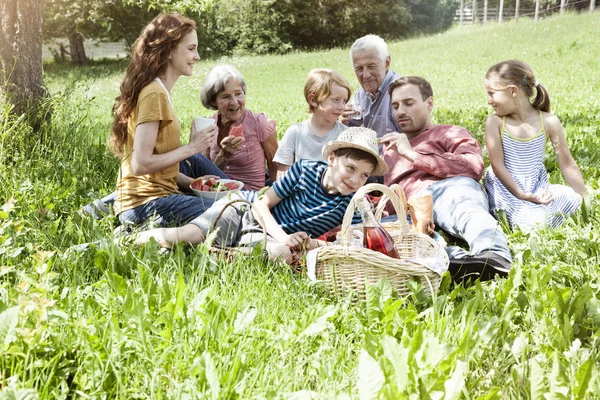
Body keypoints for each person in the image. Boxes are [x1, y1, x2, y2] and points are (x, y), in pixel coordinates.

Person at [134, 127, 388, 264]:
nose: (355, 180)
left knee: (281, 255)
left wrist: (308, 243)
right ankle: (128, 241)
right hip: (244, 210)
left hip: (264, 238)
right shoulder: (305, 170)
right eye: (350, 168)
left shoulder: (353, 203)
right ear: (332, 159)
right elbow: (262, 203)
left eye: (364, 176)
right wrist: (285, 236)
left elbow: (343, 244)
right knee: (186, 234)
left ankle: (210, 253)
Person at [380, 76, 512, 282]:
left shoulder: (448, 132)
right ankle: (452, 260)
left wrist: (413, 155)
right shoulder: (389, 148)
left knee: (464, 209)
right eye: (395, 106)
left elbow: (472, 166)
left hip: (446, 189)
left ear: (429, 103)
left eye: (409, 103)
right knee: (381, 239)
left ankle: (494, 255)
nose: (400, 111)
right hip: (406, 209)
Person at [108, 13, 223, 228]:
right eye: (191, 49)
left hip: (148, 199)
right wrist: (192, 147)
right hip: (145, 206)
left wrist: (196, 185)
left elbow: (158, 169)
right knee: (234, 209)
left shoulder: (158, 91)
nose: (197, 56)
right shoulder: (155, 94)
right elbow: (141, 164)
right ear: (169, 50)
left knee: (224, 198)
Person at [483, 60, 585, 229]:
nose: (489, 101)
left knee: (572, 199)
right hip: (507, 191)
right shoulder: (495, 122)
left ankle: (544, 215)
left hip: (537, 187)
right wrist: (522, 195)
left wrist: (583, 198)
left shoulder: (549, 122)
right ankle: (538, 218)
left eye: (492, 93)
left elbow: (567, 163)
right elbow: (497, 166)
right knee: (533, 223)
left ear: (513, 91)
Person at [200, 65, 279, 190]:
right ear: (213, 100)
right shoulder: (207, 126)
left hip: (251, 196)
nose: (235, 102)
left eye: (238, 94)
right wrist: (224, 156)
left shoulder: (260, 124)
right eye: (226, 97)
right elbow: (203, 177)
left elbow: (276, 169)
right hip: (216, 195)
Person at [273, 68, 351, 179]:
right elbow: (282, 175)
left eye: (344, 101)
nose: (341, 107)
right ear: (313, 100)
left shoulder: (346, 135)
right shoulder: (295, 133)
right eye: (336, 100)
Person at [342, 34, 401, 138]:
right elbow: (351, 128)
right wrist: (343, 121)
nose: (366, 75)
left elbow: (415, 138)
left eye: (371, 66)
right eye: (359, 69)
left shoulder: (400, 92)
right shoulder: (361, 94)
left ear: (387, 63)